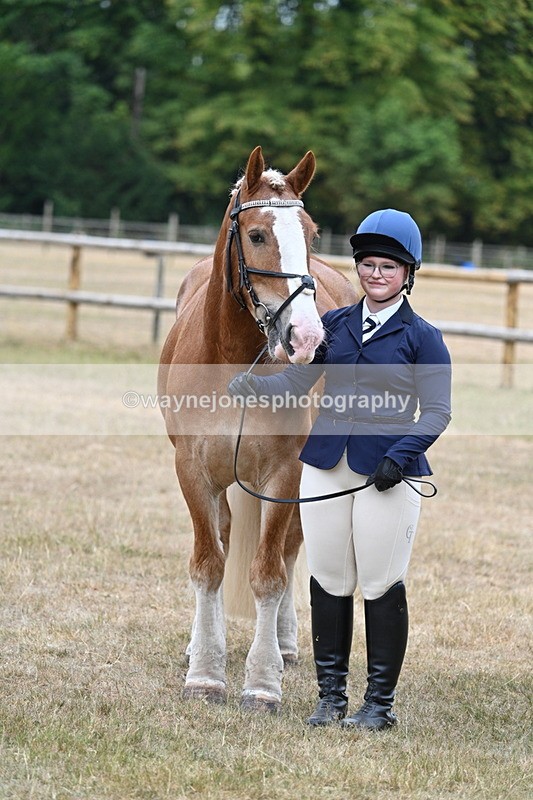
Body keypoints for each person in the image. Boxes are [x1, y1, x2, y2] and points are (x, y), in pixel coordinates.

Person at [228, 209, 451, 730]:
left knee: (379, 584)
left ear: (407, 273)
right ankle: (330, 698)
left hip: (389, 473)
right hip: (326, 464)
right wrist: (255, 386)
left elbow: (438, 410)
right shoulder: (335, 326)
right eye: (368, 265)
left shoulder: (423, 338)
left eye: (387, 267)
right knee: (328, 578)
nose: (375, 274)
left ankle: (378, 705)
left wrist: (401, 454)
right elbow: (297, 385)